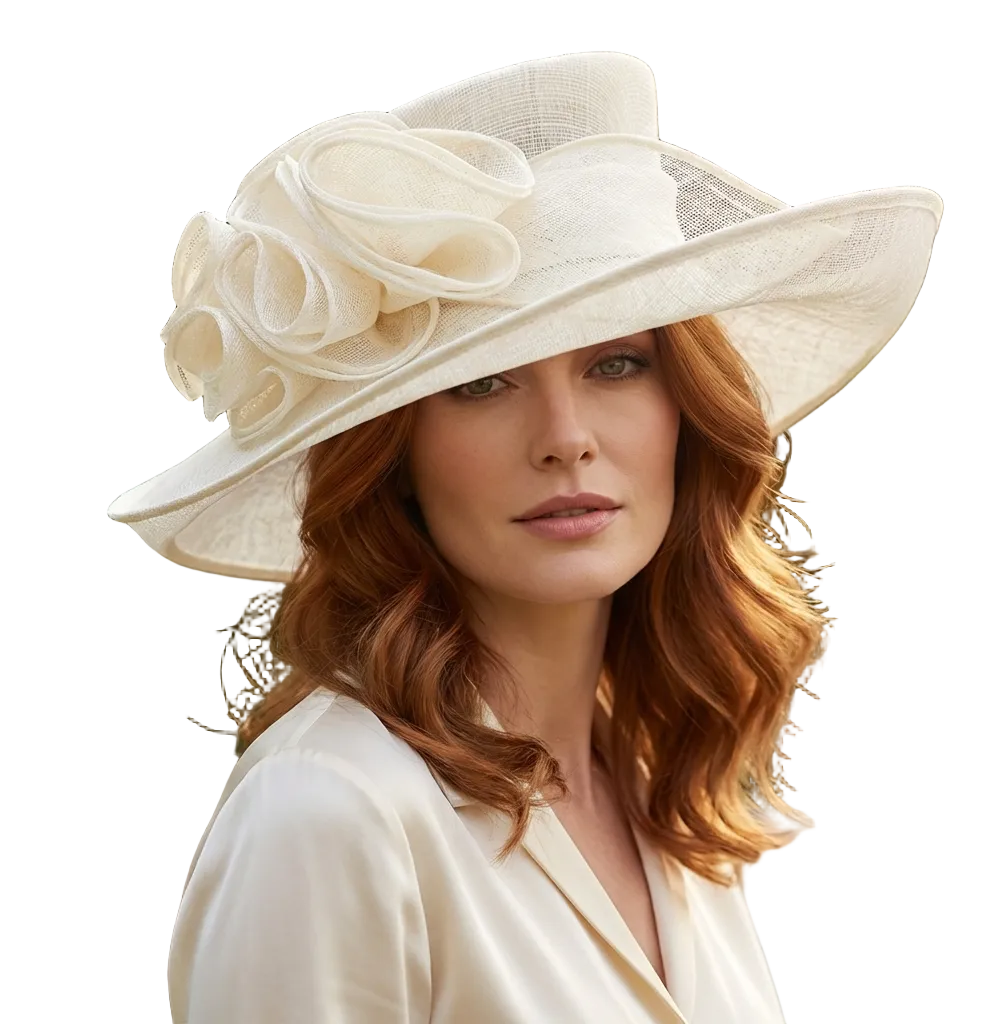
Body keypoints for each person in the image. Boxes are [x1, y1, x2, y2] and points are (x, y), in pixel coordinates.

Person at [107, 50, 942, 1024]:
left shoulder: (660, 793)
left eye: (618, 363)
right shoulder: (329, 813)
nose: (565, 439)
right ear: (394, 450)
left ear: (685, 405)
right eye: (482, 382)